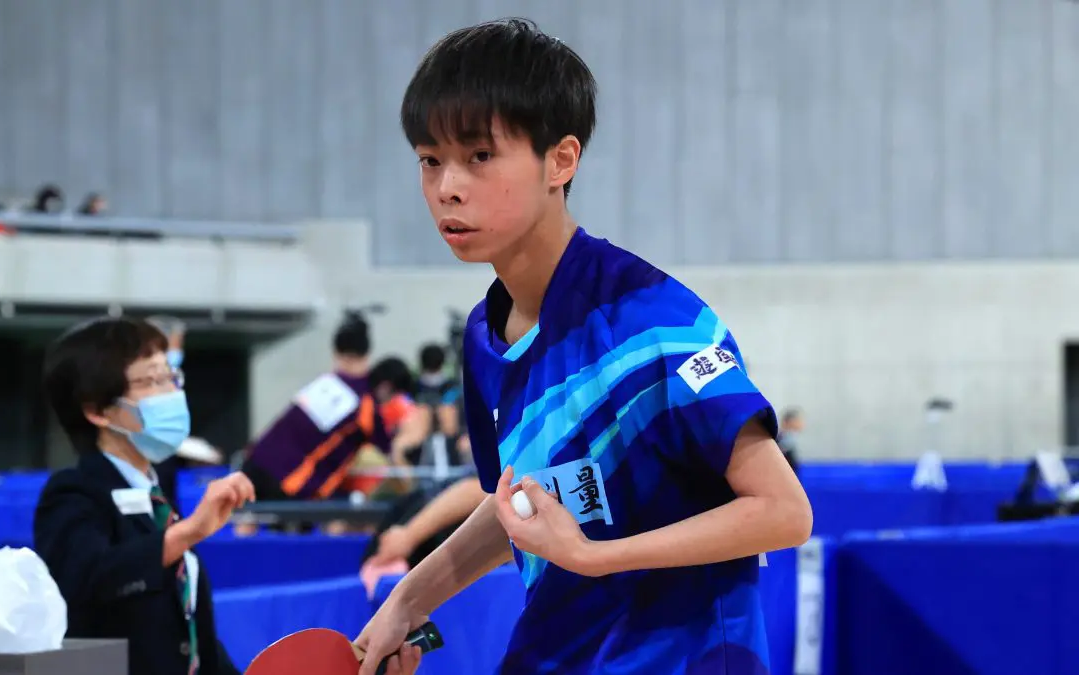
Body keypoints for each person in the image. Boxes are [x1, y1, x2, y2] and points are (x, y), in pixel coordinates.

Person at [356, 19, 813, 675]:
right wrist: (409, 598)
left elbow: (783, 511)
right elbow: (518, 501)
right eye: (430, 160)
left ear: (561, 161)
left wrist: (596, 557)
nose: (447, 186)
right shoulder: (484, 338)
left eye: (479, 156)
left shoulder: (654, 324)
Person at [33, 316, 253, 675]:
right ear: (97, 410)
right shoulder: (73, 492)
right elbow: (90, 581)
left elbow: (190, 633)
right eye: (151, 381)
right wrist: (188, 532)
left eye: (170, 377)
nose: (170, 393)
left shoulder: (156, 494)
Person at [241, 314, 391, 502]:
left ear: (335, 352)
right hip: (290, 482)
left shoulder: (320, 384)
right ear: (367, 354)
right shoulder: (366, 400)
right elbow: (385, 447)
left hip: (256, 460)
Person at [777, 407, 804, 474]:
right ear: (790, 421)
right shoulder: (779, 439)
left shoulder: (790, 439)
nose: (801, 424)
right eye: (798, 421)